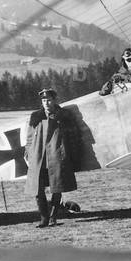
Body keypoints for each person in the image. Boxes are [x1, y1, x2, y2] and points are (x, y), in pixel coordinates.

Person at [25, 88, 83, 228]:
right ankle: (44, 217)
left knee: (57, 187)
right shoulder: (36, 117)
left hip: (57, 156)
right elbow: (29, 138)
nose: (46, 103)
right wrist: (28, 154)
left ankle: (53, 217)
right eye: (44, 100)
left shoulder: (64, 116)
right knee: (38, 190)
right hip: (39, 158)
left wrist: (71, 155)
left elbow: (74, 136)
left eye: (49, 100)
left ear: (55, 100)